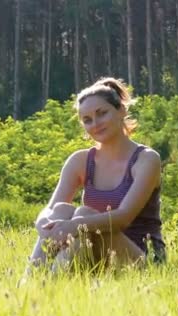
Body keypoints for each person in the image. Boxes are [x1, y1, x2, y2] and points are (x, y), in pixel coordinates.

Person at [28, 77, 166, 273]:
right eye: (87, 120)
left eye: (102, 114)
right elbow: (50, 208)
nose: (95, 124)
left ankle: (47, 285)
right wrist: (44, 224)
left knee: (83, 215)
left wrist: (74, 225)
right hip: (96, 252)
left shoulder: (146, 159)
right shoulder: (80, 160)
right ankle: (32, 284)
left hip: (141, 258)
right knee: (60, 210)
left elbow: (123, 218)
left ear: (121, 111)